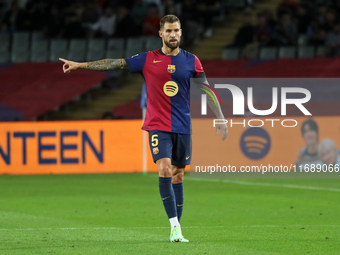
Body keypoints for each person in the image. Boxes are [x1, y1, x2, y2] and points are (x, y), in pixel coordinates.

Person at [59, 14, 228, 243]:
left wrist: (220, 117)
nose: (173, 34)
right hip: (158, 125)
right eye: (168, 31)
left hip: (183, 126)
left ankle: (177, 226)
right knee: (165, 169)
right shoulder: (148, 59)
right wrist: (81, 65)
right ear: (160, 34)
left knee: (178, 175)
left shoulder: (192, 61)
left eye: (177, 30)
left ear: (181, 32)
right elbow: (116, 63)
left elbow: (206, 90)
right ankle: (174, 227)